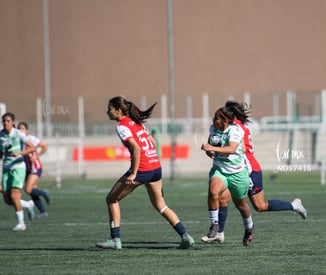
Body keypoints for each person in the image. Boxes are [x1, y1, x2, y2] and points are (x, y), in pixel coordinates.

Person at [96, 96, 194, 250]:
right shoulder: (137, 122)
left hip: (142, 169)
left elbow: (136, 148)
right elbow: (153, 143)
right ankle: (185, 236)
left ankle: (115, 240)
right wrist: (150, 160)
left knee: (111, 199)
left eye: (110, 108)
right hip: (155, 168)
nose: (107, 111)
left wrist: (134, 173)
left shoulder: (122, 126)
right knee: (161, 205)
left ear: (118, 110)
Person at [202, 101, 307, 243]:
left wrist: (218, 148)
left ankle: (294, 205)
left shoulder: (236, 127)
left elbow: (242, 149)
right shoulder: (227, 125)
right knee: (222, 197)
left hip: (248, 167)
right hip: (230, 167)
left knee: (259, 206)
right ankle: (219, 232)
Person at [201, 106, 254, 246]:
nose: (213, 120)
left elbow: (231, 149)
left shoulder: (236, 130)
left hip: (237, 172)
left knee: (241, 205)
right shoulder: (213, 128)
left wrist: (211, 148)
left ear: (225, 120)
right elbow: (210, 143)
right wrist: (208, 150)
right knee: (213, 192)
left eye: (216, 118)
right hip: (220, 169)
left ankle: (249, 227)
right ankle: (214, 226)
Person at [0, 112, 36, 231]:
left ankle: (21, 223)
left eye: (8, 121)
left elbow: (32, 147)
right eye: (4, 121)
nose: (5, 123)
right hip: (6, 168)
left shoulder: (18, 134)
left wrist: (20, 153)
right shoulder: (1, 136)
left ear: (13, 122)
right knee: (7, 199)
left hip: (18, 168)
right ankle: (28, 204)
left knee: (14, 195)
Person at [18, 122, 50, 218]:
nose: (21, 130)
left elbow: (44, 146)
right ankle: (42, 211)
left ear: (26, 130)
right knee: (32, 191)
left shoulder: (31, 139)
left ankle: (44, 193)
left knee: (28, 190)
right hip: (27, 169)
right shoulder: (18, 140)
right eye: (19, 128)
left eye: (22, 128)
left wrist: (37, 156)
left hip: (35, 167)